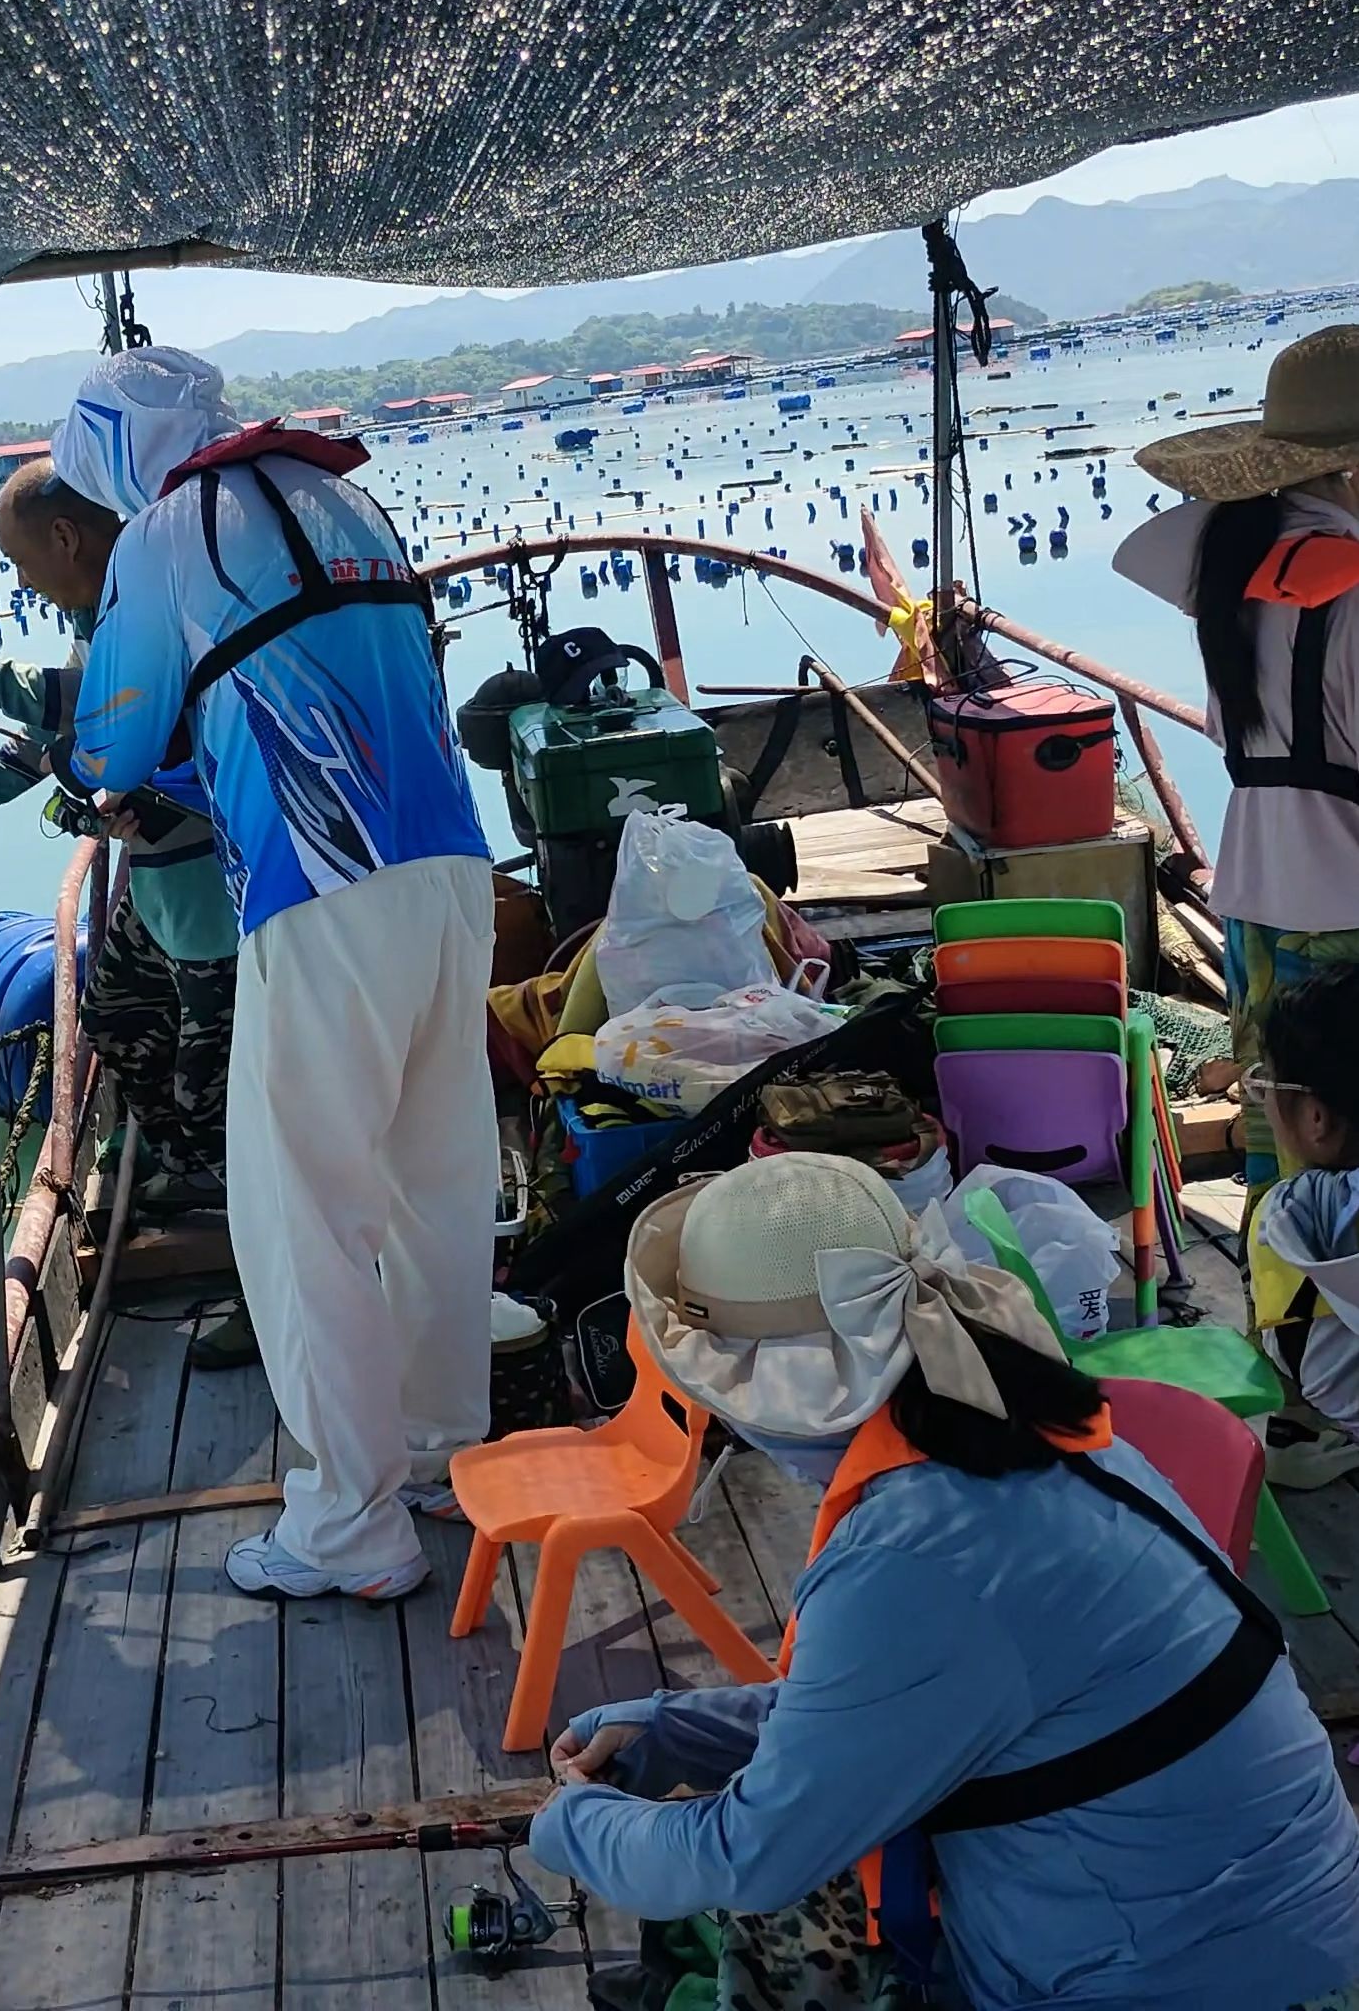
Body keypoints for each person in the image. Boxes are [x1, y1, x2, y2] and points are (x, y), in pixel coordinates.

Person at [532, 1152, 1359, 2011]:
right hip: (1261, 1921)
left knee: (777, 1889)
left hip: (1186, 1981)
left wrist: (569, 1825)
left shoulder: (912, 1559)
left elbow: (751, 1858)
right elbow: (878, 1710)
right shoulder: (1021, 1427)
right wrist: (670, 1729)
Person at [57, 348, 495, 1602]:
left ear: (105, 449)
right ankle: (429, 1451)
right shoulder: (341, 496)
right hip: (450, 870)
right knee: (433, 1184)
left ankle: (347, 1528)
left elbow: (113, 733)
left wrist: (95, 761)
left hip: (319, 880)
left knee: (300, 1206)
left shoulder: (160, 529)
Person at [0, 456, 241, 1226]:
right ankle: (181, 1167)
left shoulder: (150, 603)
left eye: (17, 560)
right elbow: (63, 727)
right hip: (161, 876)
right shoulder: (98, 618)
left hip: (220, 879)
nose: (20, 581)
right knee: (111, 1015)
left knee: (215, 1067)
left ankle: (232, 1199)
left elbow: (100, 702)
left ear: (67, 538)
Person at [1116, 325, 1359, 1252]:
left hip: (1259, 905)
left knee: (1285, 1151)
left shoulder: (1238, 573)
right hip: (1346, 922)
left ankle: (1285, 1346)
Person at [1250, 966, 1359, 1487]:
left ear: (1315, 1118)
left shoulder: (1296, 1208)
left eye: (1264, 1082)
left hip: (1340, 1394)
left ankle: (1297, 1418)